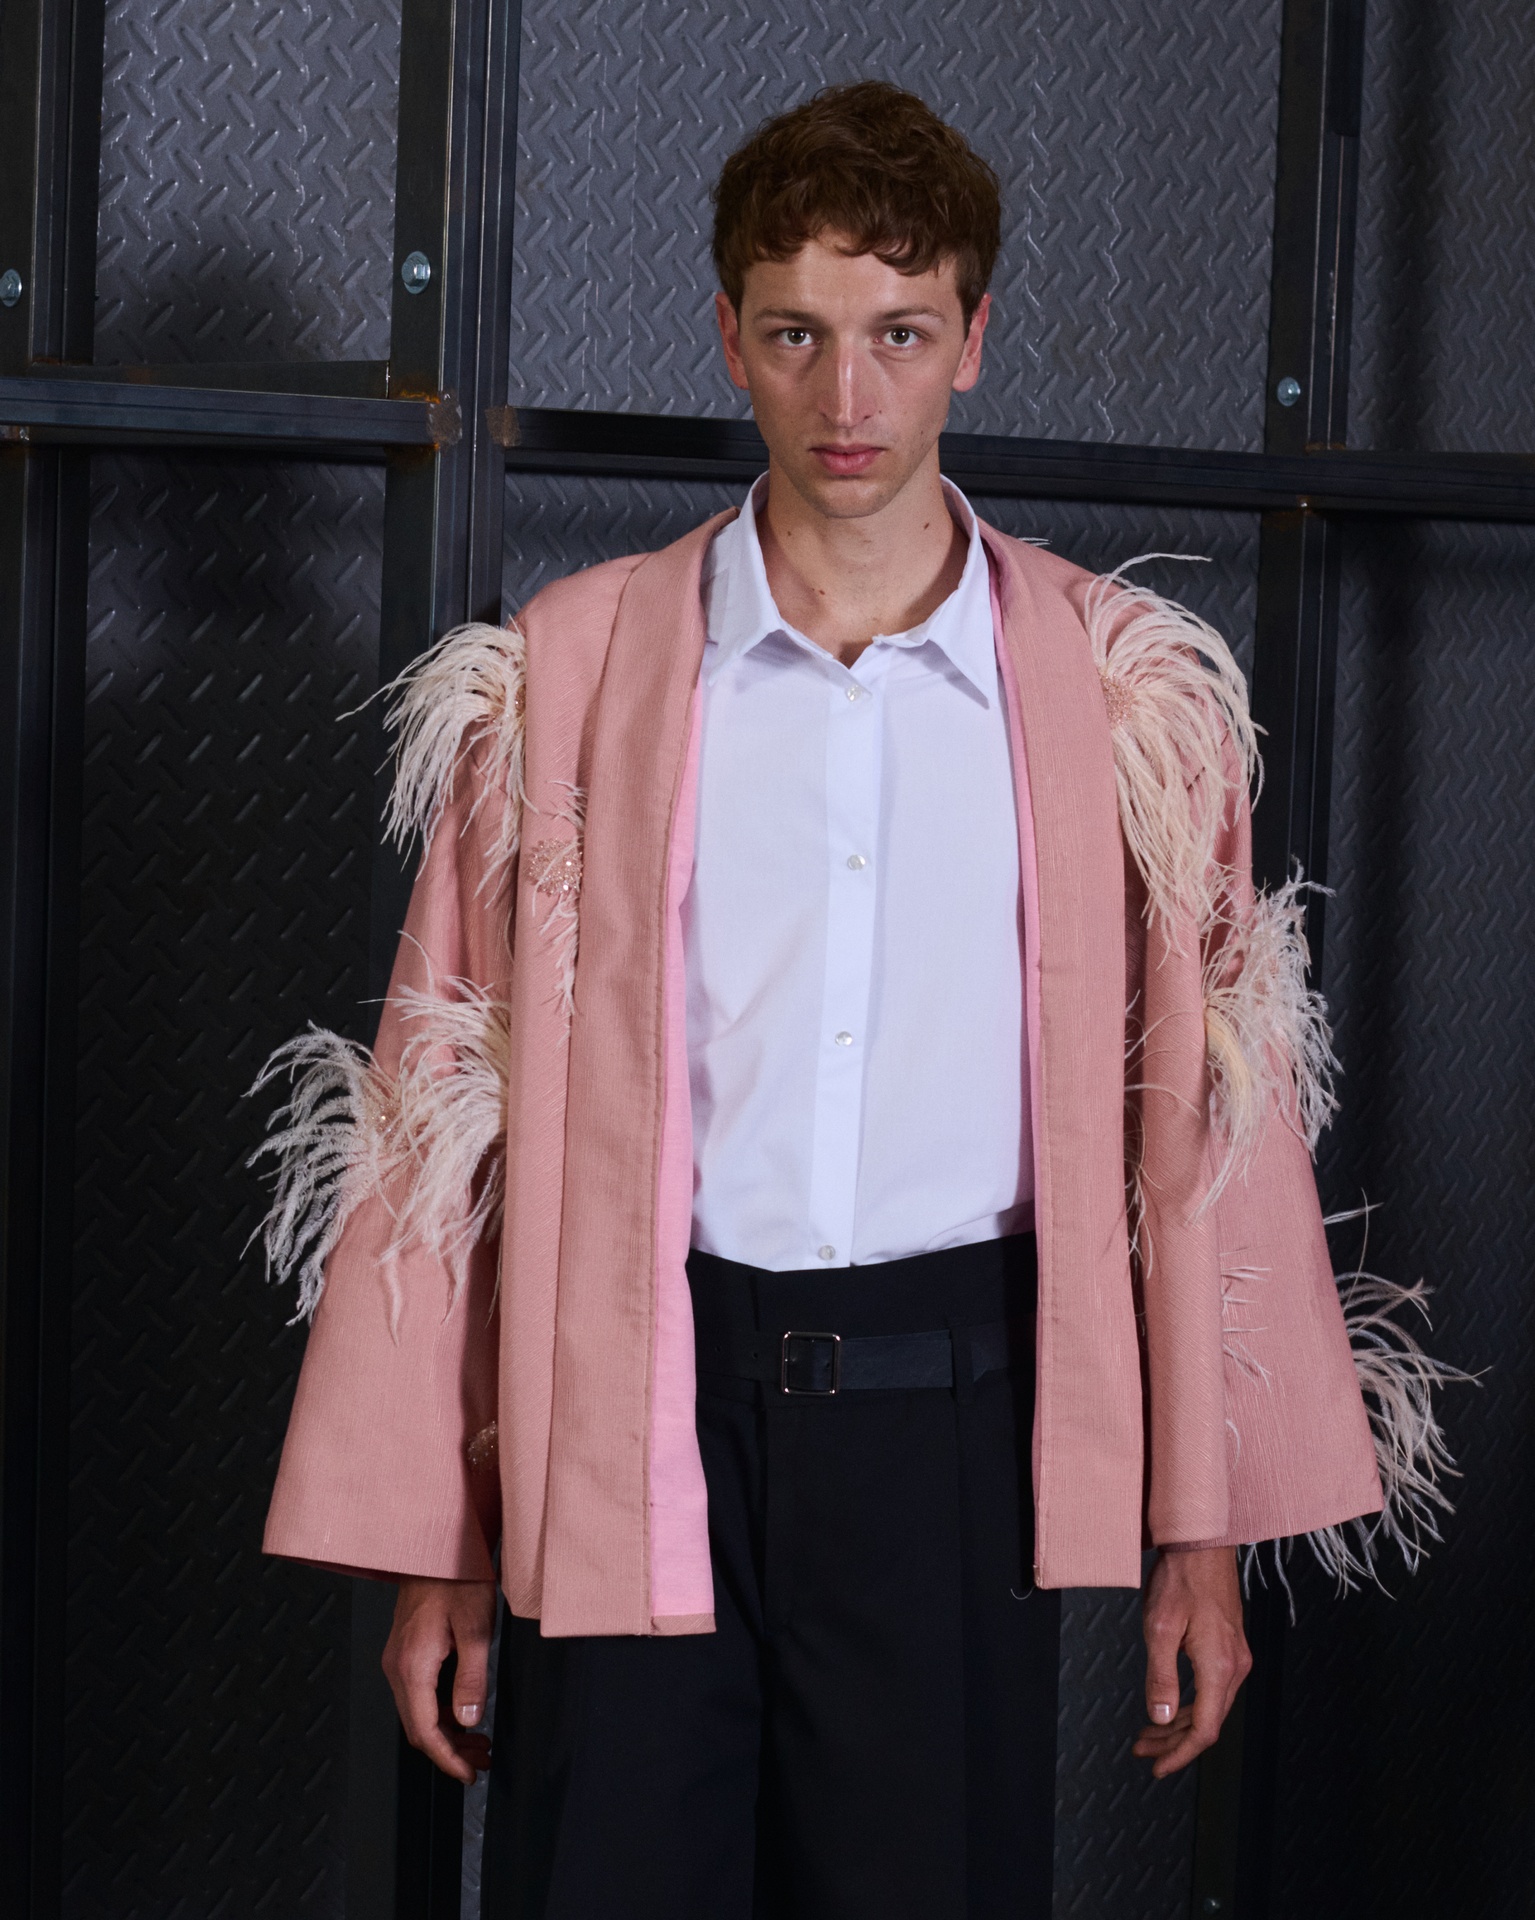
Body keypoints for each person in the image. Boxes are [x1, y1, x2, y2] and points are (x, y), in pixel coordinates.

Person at [254, 81, 1445, 1919]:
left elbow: (1212, 1115)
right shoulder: (573, 673)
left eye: (899, 333)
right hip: (637, 1406)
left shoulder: (1120, 695)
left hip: (950, 1430)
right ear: (730, 336)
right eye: (798, 334)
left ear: (974, 335)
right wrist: (448, 1540)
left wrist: (1199, 1533)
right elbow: (442, 1118)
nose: (849, 396)